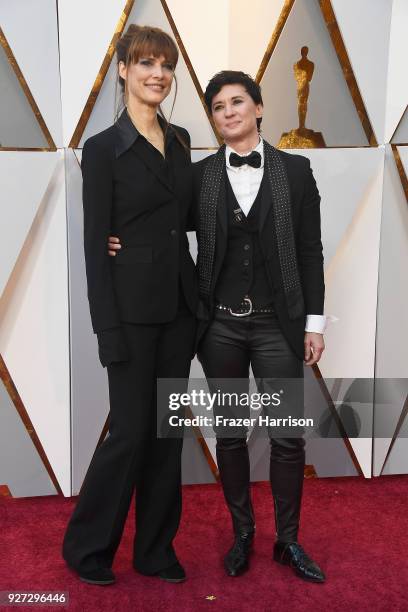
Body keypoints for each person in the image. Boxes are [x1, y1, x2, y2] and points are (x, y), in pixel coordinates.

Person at [108, 70, 326, 583]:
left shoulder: (296, 172)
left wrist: (314, 324)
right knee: (229, 435)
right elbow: (158, 220)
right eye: (218, 107)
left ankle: (288, 541)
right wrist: (112, 238)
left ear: (258, 108)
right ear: (212, 119)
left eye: (236, 102)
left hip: (279, 326)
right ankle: (243, 534)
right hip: (219, 329)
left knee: (288, 436)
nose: (227, 112)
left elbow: (311, 251)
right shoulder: (198, 176)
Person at [62, 24, 197, 586]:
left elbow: (186, 220)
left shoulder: (184, 139)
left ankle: (155, 551)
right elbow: (97, 247)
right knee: (130, 432)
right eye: (145, 63)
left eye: (165, 65)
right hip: (130, 316)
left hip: (181, 311)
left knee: (167, 431)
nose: (158, 74)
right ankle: (87, 549)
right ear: (123, 70)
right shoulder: (101, 149)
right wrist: (106, 329)